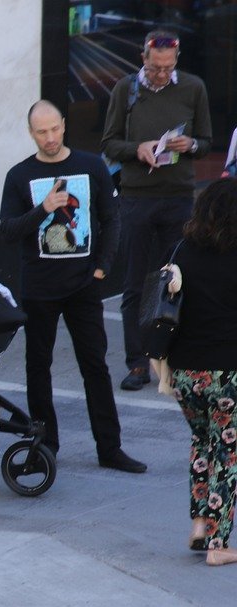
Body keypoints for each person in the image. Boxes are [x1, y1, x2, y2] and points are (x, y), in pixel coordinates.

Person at [0, 100, 146, 474]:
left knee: (94, 365)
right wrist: (44, 209)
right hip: (39, 287)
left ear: (64, 125)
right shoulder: (19, 175)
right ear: (30, 133)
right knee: (38, 367)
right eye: (41, 132)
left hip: (84, 284)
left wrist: (103, 269)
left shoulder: (91, 165)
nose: (50, 138)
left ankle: (110, 448)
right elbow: (8, 231)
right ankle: (44, 446)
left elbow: (111, 220)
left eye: (55, 129)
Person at [101, 28, 211, 391]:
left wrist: (190, 143)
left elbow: (207, 142)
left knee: (178, 280)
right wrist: (139, 148)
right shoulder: (125, 90)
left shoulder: (193, 88)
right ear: (143, 58)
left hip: (178, 196)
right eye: (155, 68)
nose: (161, 74)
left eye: (167, 67)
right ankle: (137, 364)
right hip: (136, 197)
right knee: (135, 283)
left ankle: (175, 358)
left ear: (176, 60)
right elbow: (109, 143)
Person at [164, 180, 237, 565]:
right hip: (228, 373)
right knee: (228, 453)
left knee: (202, 443)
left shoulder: (183, 251)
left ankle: (198, 526)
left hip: (184, 372)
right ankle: (218, 545)